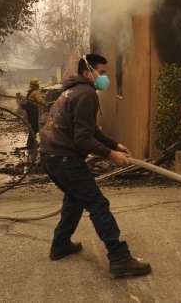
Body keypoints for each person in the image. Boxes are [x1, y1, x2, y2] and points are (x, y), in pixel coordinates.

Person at [39, 53, 151, 277]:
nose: (104, 77)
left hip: (50, 156)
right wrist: (112, 154)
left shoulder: (73, 91)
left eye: (106, 73)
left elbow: (87, 130)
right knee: (98, 204)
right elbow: (82, 138)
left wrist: (114, 144)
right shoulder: (87, 94)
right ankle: (119, 258)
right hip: (64, 159)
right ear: (86, 73)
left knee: (74, 199)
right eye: (101, 72)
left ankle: (60, 244)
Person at [24, 78, 45, 150]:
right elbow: (40, 100)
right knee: (35, 126)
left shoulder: (30, 91)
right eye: (38, 84)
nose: (39, 86)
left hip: (29, 110)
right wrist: (45, 104)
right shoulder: (36, 92)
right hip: (33, 110)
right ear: (36, 85)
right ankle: (31, 142)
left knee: (33, 125)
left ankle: (31, 141)